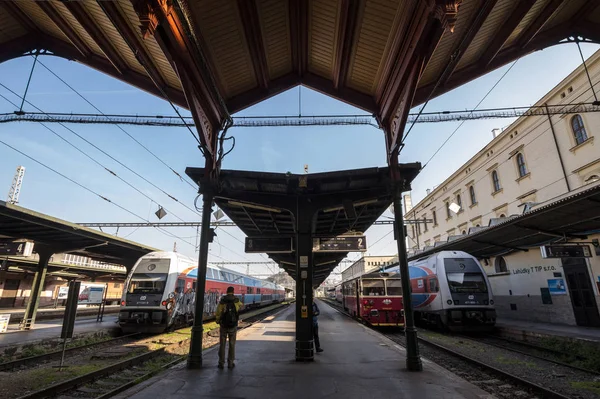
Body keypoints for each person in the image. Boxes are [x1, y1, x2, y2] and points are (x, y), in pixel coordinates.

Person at [215, 286, 242, 369]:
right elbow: (241, 306)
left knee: (222, 344)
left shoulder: (222, 300)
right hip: (233, 325)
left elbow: (218, 312)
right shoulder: (236, 300)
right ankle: (230, 363)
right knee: (232, 344)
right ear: (233, 292)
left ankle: (221, 363)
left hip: (223, 325)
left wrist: (218, 320)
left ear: (227, 291)